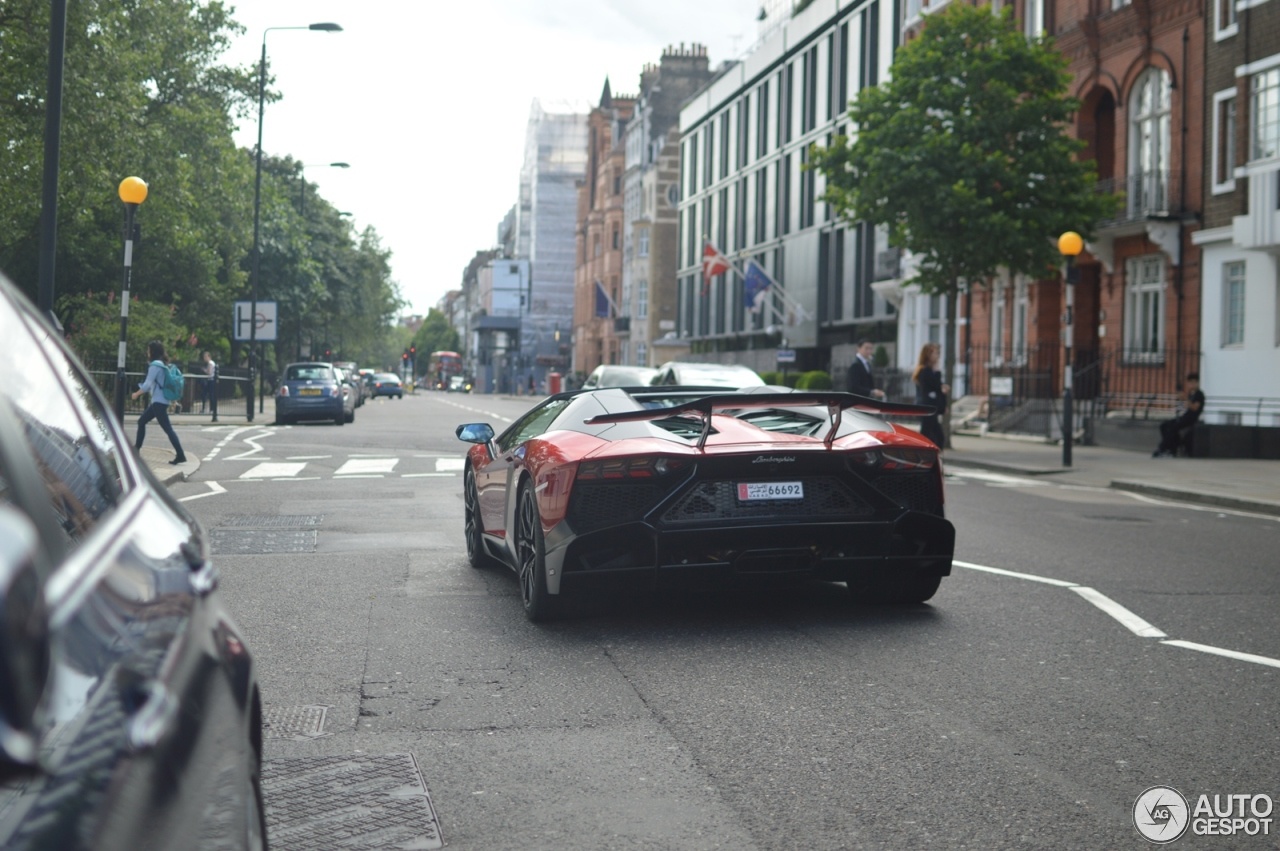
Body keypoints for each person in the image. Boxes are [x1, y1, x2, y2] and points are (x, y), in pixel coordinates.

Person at [132, 340, 187, 465]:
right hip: (160, 401)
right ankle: (136, 449)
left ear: (152, 351)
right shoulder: (162, 364)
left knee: (168, 429)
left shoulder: (155, 365)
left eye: (148, 349)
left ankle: (181, 454)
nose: (147, 352)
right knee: (142, 421)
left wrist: (136, 394)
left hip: (158, 402)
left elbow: (147, 385)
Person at [1153, 372, 1205, 457]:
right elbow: (1188, 405)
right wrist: (1184, 399)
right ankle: (1173, 446)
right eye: (1191, 382)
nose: (1192, 384)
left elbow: (1195, 408)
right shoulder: (1191, 394)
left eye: (1195, 382)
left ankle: (1163, 448)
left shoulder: (1199, 394)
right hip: (1185, 416)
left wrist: (1185, 399)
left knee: (1173, 427)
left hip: (1191, 419)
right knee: (1164, 426)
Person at [912, 342, 950, 448]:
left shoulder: (930, 371)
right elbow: (934, 387)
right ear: (928, 355)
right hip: (927, 407)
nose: (938, 356)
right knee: (932, 435)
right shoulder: (924, 371)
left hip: (932, 407)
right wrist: (938, 372)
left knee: (935, 436)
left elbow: (937, 387)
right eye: (935, 353)